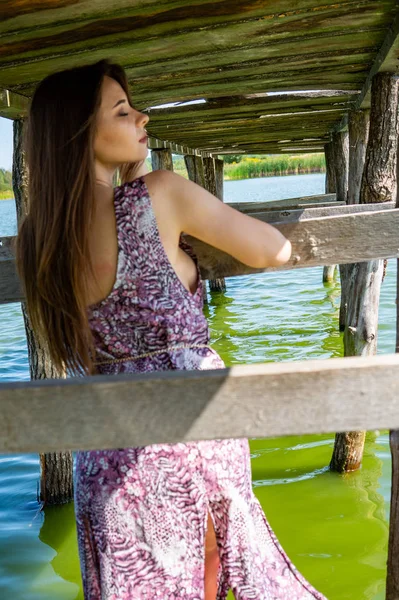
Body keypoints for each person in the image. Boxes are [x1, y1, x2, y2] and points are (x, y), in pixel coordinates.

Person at [15, 60, 326, 600]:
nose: (142, 116)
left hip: (104, 455)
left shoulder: (35, 241)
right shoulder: (158, 196)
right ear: (81, 133)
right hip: (189, 435)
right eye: (122, 110)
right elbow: (270, 250)